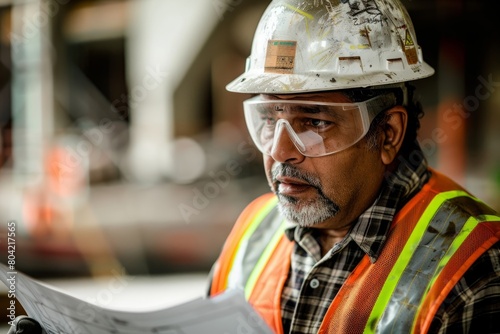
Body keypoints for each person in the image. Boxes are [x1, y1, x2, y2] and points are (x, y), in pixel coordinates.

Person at [7, 0, 500, 333]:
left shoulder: (474, 266)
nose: (279, 152)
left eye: (313, 121)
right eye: (267, 119)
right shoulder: (254, 232)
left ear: (387, 133)